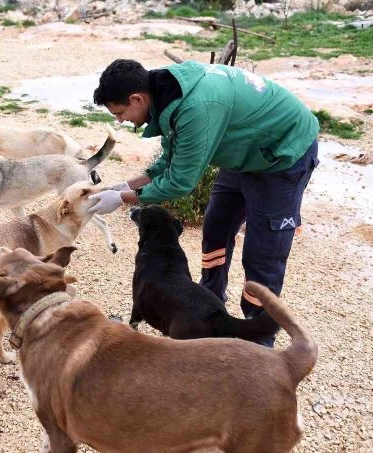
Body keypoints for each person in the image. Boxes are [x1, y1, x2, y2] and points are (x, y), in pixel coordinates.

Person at [88, 59, 319, 346]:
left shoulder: (196, 108)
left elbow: (180, 182)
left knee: (262, 253)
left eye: (120, 113)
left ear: (137, 98)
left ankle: (258, 341)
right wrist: (125, 185)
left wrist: (122, 198)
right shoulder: (167, 96)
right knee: (216, 229)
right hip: (242, 155)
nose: (121, 120)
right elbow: (170, 161)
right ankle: (210, 311)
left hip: (281, 155)